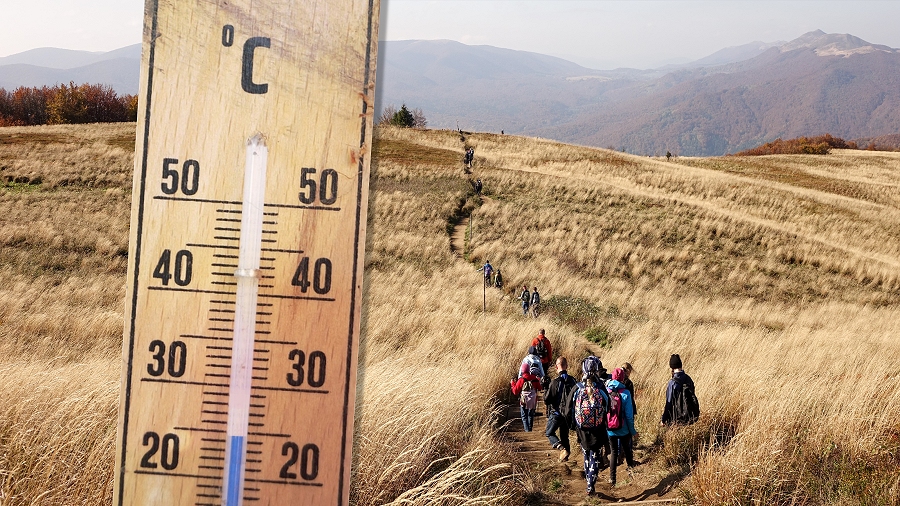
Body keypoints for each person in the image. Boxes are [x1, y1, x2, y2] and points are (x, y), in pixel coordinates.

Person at [573, 356, 609, 496]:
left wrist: (574, 424)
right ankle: (591, 485)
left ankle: (588, 482)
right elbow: (608, 405)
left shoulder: (578, 388)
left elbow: (570, 407)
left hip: (582, 429)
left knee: (586, 455)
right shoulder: (600, 387)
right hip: (598, 428)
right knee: (595, 456)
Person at [606, 368, 638, 486]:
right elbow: (629, 416)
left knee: (614, 452)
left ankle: (612, 479)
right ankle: (631, 473)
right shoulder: (626, 393)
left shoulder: (606, 390)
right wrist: (633, 431)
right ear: (623, 378)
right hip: (624, 428)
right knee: (628, 450)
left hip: (610, 429)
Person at [544, 357, 577, 462]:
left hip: (557, 413)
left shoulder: (555, 382)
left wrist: (545, 387)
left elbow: (547, 400)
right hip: (568, 414)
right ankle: (565, 456)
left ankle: (561, 449)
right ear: (566, 366)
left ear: (556, 367)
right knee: (564, 435)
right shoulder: (573, 381)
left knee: (549, 432)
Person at [661, 354, 700, 426]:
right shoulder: (688, 379)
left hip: (675, 419)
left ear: (672, 367)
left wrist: (663, 419)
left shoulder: (672, 383)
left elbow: (669, 403)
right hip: (688, 417)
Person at [511, 364, 543, 432]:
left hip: (524, 400)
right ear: (529, 370)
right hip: (533, 400)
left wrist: (512, 383)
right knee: (530, 415)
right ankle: (530, 429)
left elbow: (515, 391)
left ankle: (527, 430)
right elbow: (540, 388)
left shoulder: (521, 380)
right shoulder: (534, 379)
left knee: (524, 416)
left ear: (522, 370)